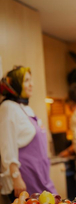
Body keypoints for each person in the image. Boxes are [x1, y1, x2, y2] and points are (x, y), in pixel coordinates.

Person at [0, 66, 56, 201]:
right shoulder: (7, 107)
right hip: (25, 178)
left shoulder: (25, 108)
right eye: (26, 81)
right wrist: (16, 177)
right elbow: (7, 145)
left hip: (41, 175)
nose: (31, 84)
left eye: (31, 80)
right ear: (16, 84)